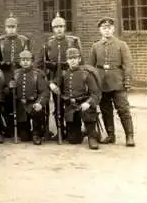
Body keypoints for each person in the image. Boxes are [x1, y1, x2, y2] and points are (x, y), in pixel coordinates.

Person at [88, 17, 135, 147]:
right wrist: (92, 84)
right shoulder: (95, 46)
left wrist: (127, 81)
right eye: (104, 28)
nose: (107, 30)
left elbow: (128, 65)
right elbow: (90, 67)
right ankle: (110, 135)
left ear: (113, 29)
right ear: (100, 30)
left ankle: (129, 136)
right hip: (101, 83)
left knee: (123, 109)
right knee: (106, 110)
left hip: (118, 82)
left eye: (109, 28)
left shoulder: (121, 45)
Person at [36, 12, 82, 140]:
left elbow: (81, 62)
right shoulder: (48, 43)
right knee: (57, 106)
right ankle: (59, 131)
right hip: (54, 79)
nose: (59, 29)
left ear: (65, 27)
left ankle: (72, 129)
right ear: (52, 29)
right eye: (56, 27)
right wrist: (49, 82)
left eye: (61, 26)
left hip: (70, 78)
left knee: (70, 104)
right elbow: (39, 65)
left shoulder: (73, 41)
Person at [51, 48, 101, 149]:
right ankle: (82, 132)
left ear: (79, 59)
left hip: (84, 104)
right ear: (67, 60)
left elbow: (95, 93)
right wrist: (52, 84)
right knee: (73, 140)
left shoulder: (86, 73)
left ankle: (92, 136)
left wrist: (89, 103)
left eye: (75, 58)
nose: (73, 60)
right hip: (71, 106)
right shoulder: (64, 74)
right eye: (70, 58)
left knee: (89, 115)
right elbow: (53, 81)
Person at [0, 12, 31, 138]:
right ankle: (8, 127)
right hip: (5, 76)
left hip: (20, 75)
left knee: (21, 100)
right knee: (7, 100)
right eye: (9, 27)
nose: (11, 29)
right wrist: (2, 64)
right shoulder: (0, 41)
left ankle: (23, 127)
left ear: (17, 27)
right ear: (5, 28)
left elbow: (29, 59)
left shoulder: (24, 40)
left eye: (13, 27)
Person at [9, 50, 49, 145]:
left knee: (37, 112)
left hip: (33, 104)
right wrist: (10, 87)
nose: (25, 62)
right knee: (24, 138)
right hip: (21, 107)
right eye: (23, 60)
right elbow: (10, 91)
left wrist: (39, 103)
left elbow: (45, 92)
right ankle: (25, 131)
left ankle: (37, 133)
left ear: (32, 61)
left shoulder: (38, 74)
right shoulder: (16, 73)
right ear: (20, 62)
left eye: (28, 60)